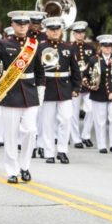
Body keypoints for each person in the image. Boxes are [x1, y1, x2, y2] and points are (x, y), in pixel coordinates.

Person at [0, 11, 45, 184]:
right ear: (13, 25)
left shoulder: (34, 44)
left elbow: (40, 71)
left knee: (30, 131)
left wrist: (40, 91)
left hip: (30, 93)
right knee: (10, 134)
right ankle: (12, 170)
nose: (22, 26)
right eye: (19, 23)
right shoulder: (4, 44)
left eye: (25, 23)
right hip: (11, 93)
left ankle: (24, 165)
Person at [36, 17, 81, 164]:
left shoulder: (67, 47)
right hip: (47, 86)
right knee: (47, 122)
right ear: (46, 31)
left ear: (61, 30)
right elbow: (36, 69)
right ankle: (49, 152)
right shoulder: (40, 47)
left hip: (64, 87)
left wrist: (76, 87)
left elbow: (75, 69)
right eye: (51, 29)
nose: (54, 32)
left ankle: (62, 150)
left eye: (57, 29)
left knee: (66, 119)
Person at [87, 34, 112, 153]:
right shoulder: (94, 59)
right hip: (99, 94)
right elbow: (85, 76)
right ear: (100, 47)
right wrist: (91, 86)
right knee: (100, 120)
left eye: (110, 46)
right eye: (105, 46)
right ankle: (101, 145)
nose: (108, 49)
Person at [69, 21, 96, 149]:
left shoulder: (90, 48)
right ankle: (76, 138)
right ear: (74, 34)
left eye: (82, 32)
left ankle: (85, 135)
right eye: (77, 33)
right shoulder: (69, 48)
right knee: (73, 113)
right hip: (74, 84)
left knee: (90, 110)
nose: (80, 35)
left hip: (88, 84)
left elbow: (95, 66)